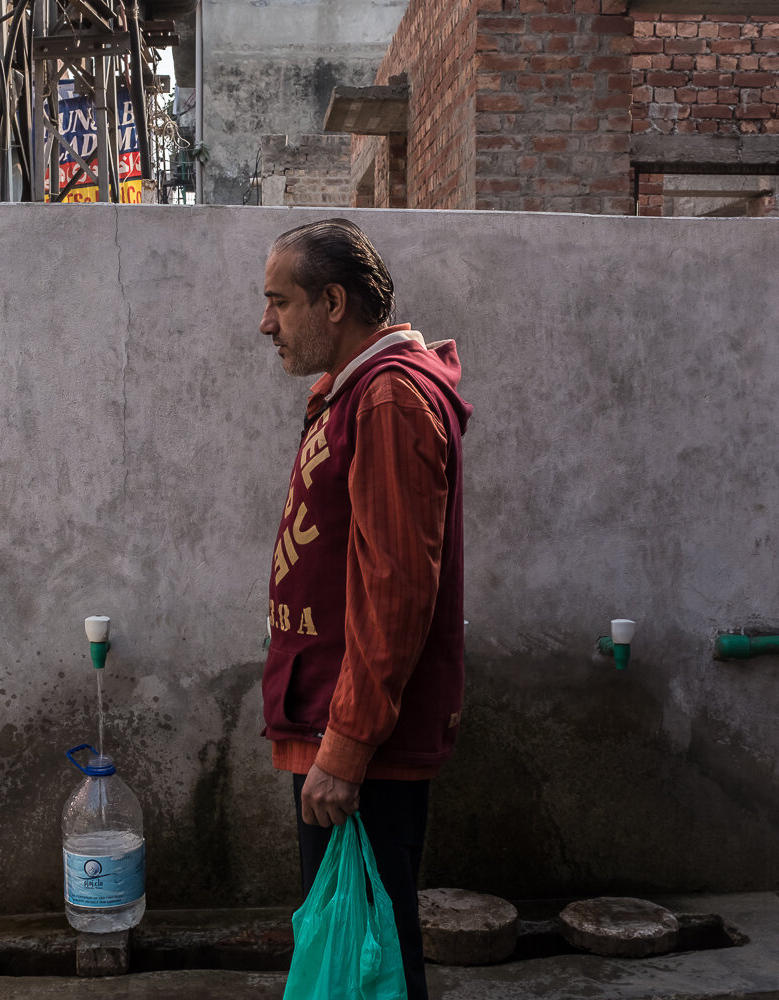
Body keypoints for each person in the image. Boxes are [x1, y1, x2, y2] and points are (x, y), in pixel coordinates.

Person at [258, 218, 472, 1000]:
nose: (266, 322)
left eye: (280, 302)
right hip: (334, 730)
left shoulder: (388, 402)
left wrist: (344, 751)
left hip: (360, 745)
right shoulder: (352, 394)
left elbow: (396, 592)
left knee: (375, 948)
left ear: (334, 302)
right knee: (354, 947)